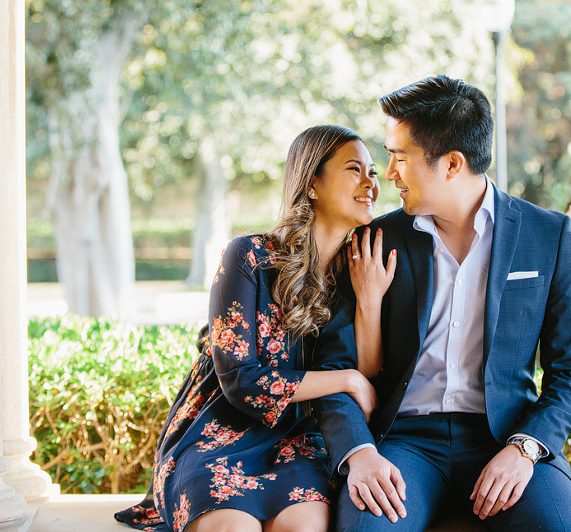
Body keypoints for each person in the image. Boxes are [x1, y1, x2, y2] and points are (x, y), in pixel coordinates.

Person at [311, 75, 571, 532]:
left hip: (505, 436)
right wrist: (359, 452)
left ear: (451, 164)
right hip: (402, 442)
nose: (388, 174)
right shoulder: (373, 241)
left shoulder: (548, 235)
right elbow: (334, 364)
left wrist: (525, 449)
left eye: (399, 157)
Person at [115, 125, 391, 532]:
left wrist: (370, 300)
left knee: (305, 527)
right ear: (312, 183)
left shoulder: (357, 271)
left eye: (373, 171)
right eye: (355, 169)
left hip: (298, 444)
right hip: (218, 436)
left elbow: (367, 385)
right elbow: (242, 381)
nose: (371, 182)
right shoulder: (247, 257)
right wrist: (344, 379)